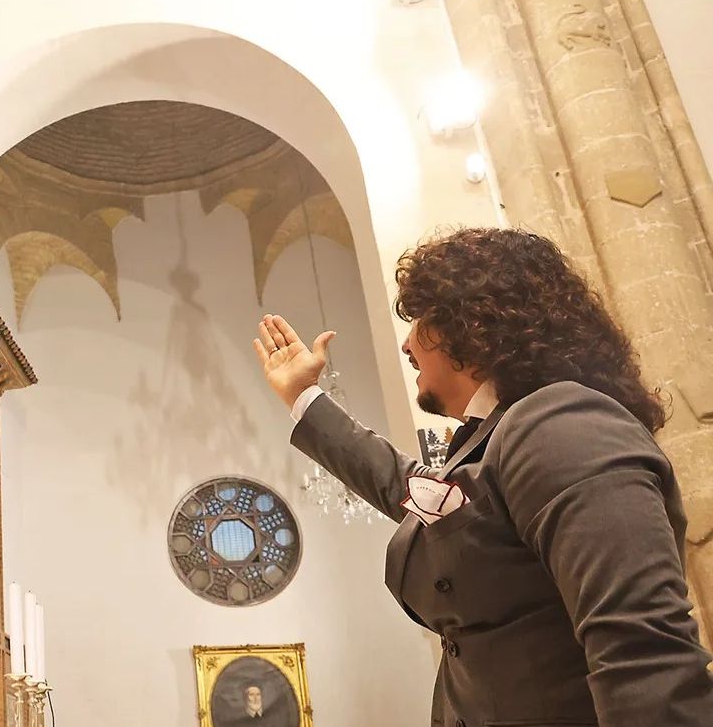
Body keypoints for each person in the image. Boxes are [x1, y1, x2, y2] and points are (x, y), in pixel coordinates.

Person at [254, 227, 713, 725]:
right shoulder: (502, 435)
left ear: (472, 324)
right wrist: (304, 397)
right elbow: (412, 490)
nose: (407, 345)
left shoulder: (564, 424)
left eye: (421, 321)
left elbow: (643, 656)